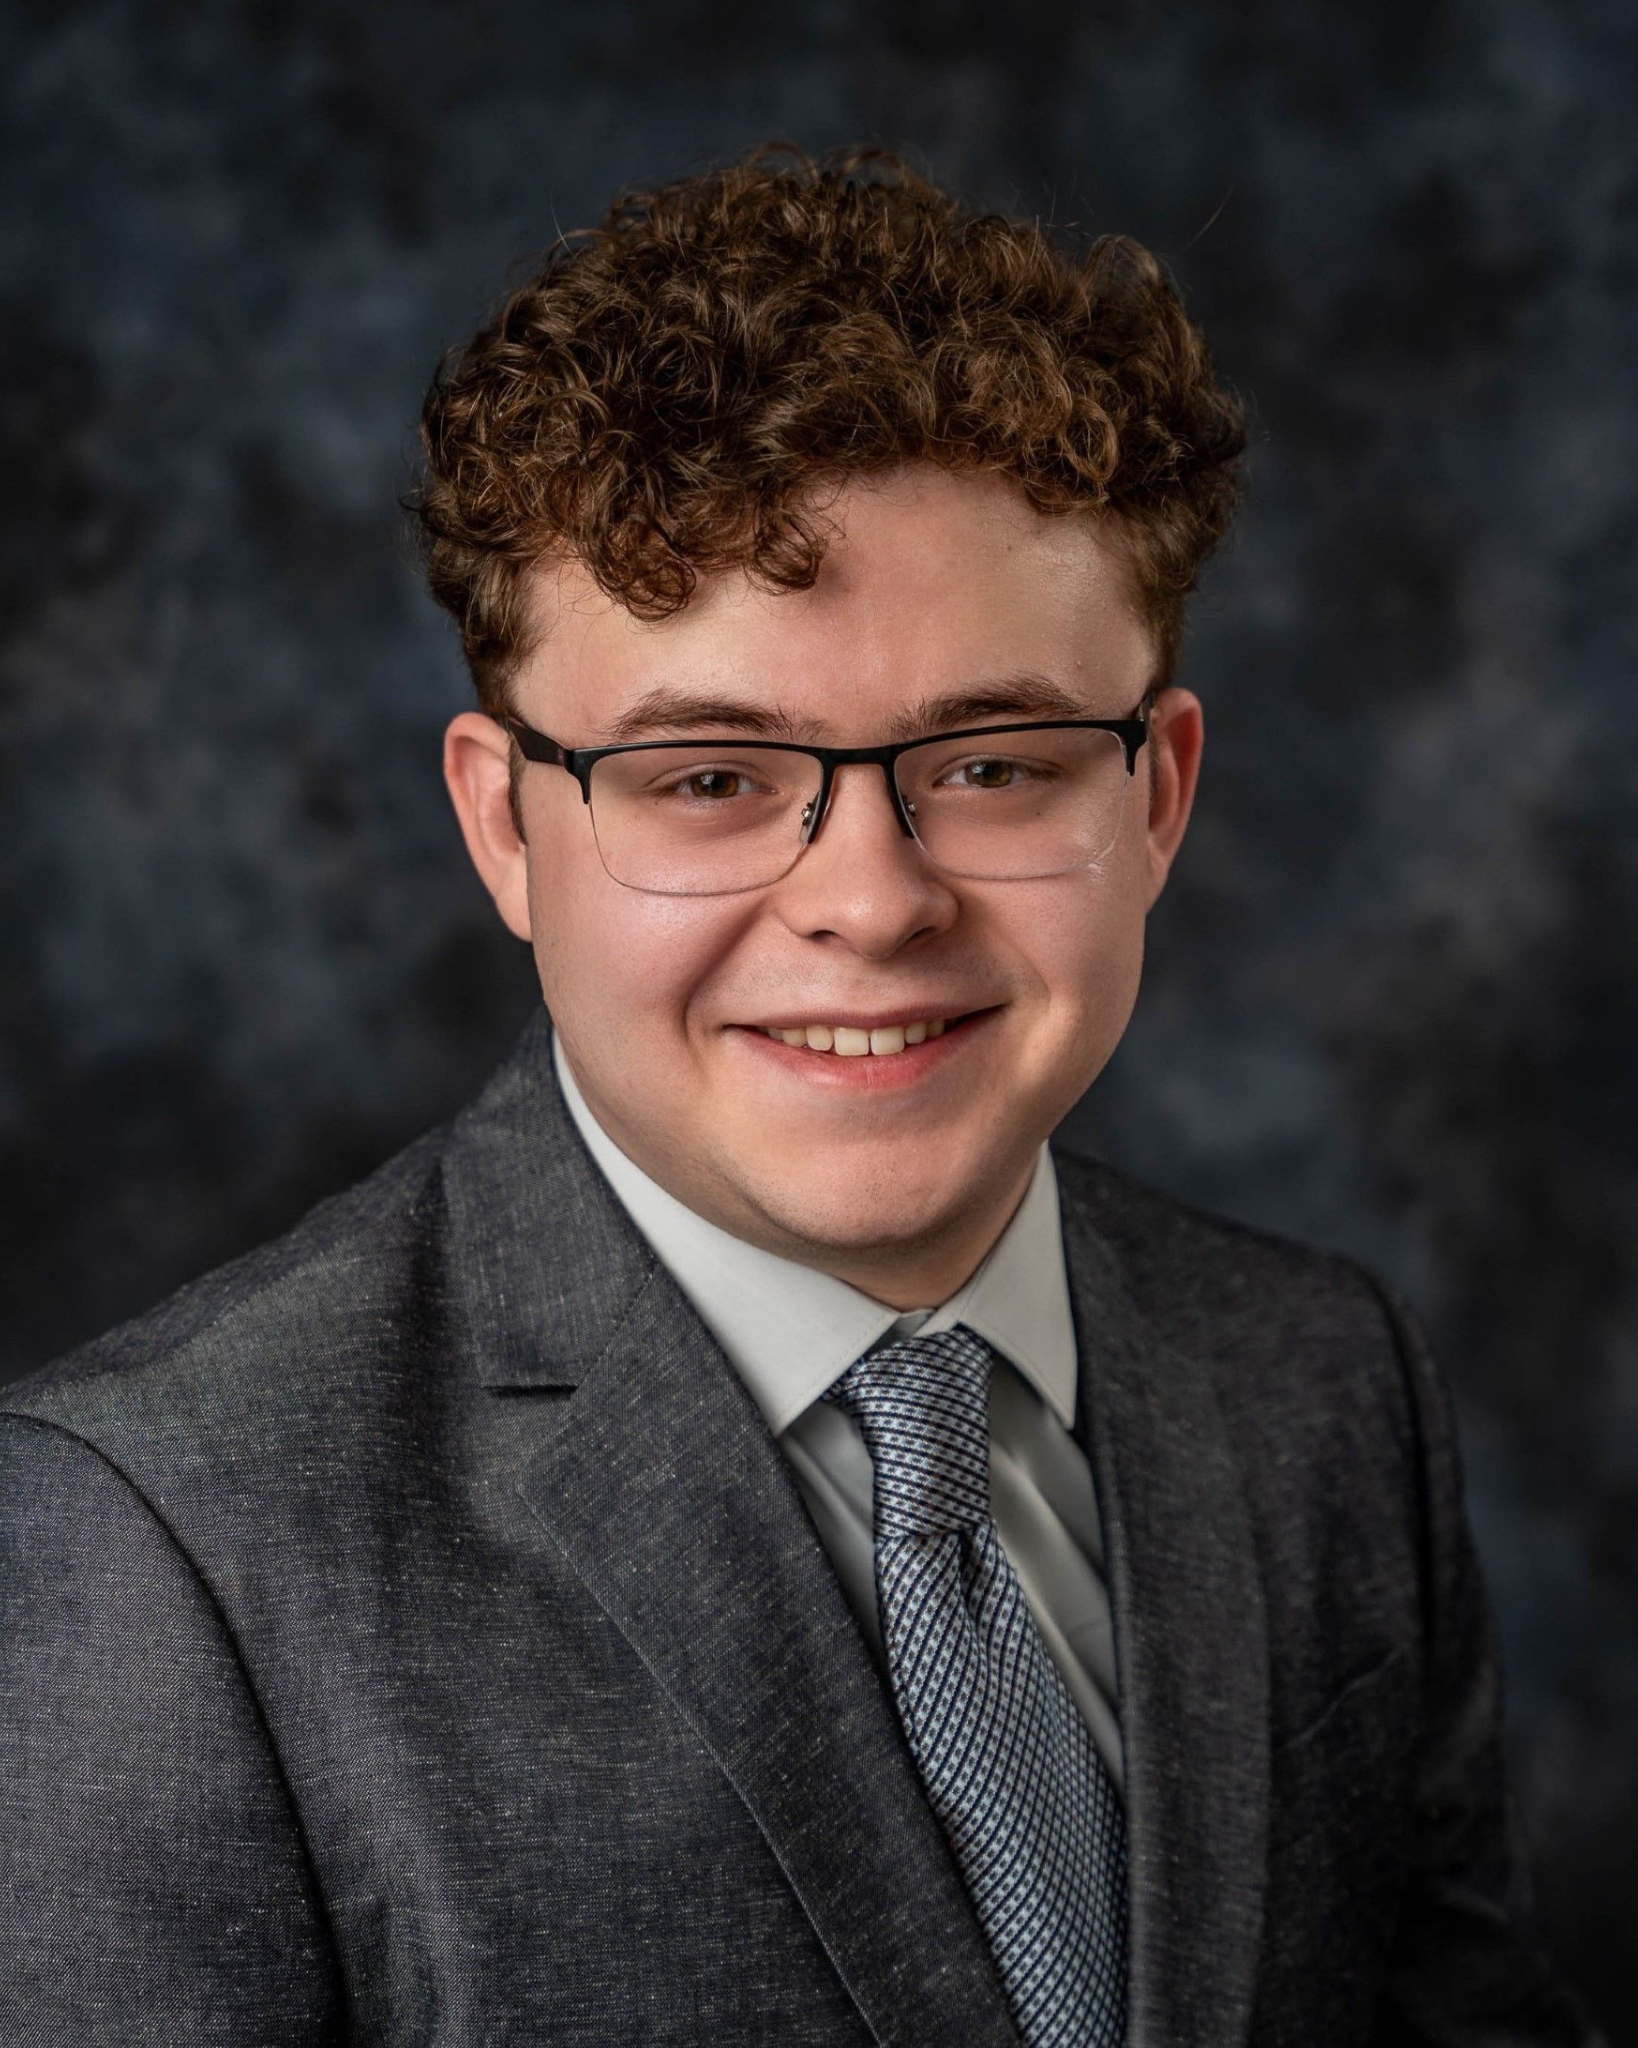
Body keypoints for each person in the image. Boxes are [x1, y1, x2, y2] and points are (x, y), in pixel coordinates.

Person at [0, 146, 1601, 2047]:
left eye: (997, 765)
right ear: (504, 826)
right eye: (708, 780)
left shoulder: (1319, 1382)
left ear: (1154, 796)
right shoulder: (161, 1542)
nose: (868, 899)